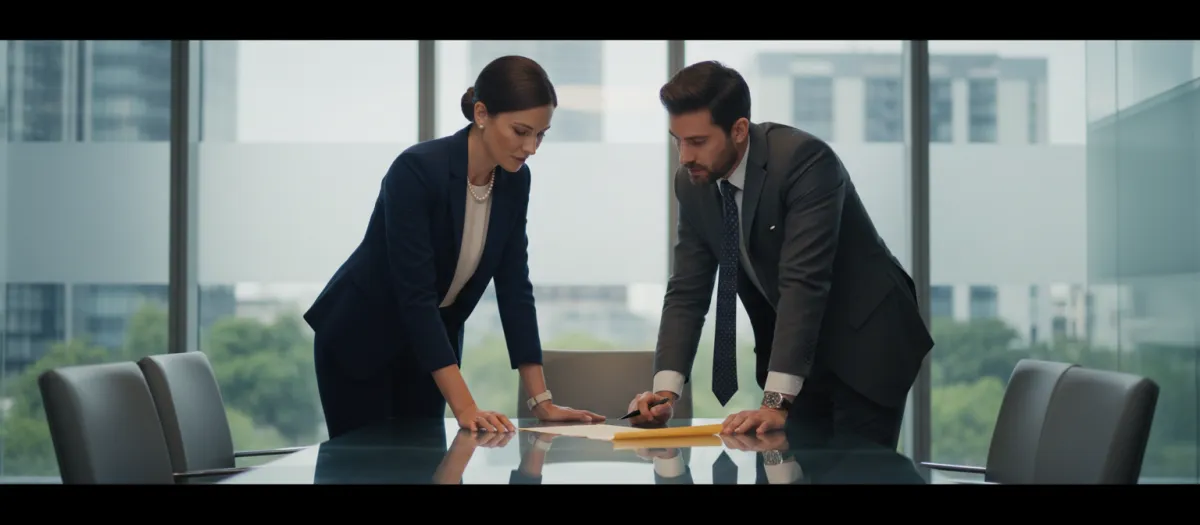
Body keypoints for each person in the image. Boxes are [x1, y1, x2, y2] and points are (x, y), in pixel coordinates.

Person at [626, 61, 933, 450]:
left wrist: (775, 401)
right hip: (798, 352)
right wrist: (665, 394)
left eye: (698, 141)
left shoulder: (805, 162)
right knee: (789, 463)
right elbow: (686, 290)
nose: (685, 156)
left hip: (867, 342)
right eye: (677, 140)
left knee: (854, 470)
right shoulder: (693, 183)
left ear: (738, 130)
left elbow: (803, 283)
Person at [304, 55, 604, 440]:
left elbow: (515, 287)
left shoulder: (515, 181)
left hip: (430, 345)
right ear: (481, 113)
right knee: (369, 467)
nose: (531, 147)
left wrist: (541, 401)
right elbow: (414, 295)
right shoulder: (415, 170)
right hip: (362, 337)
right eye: (520, 131)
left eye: (540, 134)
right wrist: (466, 405)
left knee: (428, 464)